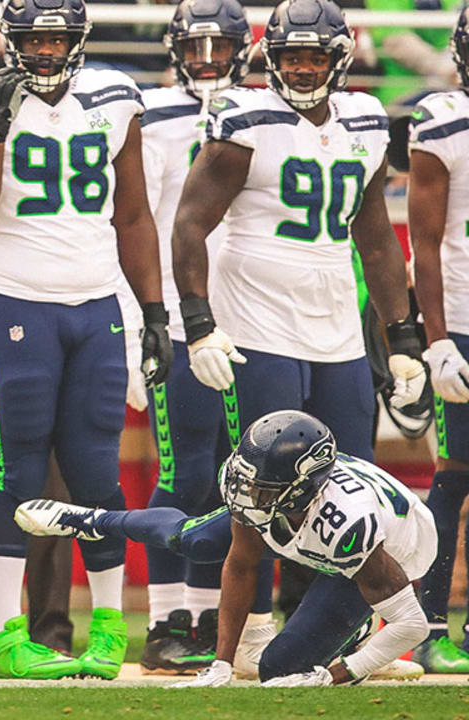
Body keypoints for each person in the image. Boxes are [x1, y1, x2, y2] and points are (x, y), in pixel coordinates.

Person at [169, 0, 426, 647]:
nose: (303, 68)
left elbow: (375, 237)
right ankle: (251, 634)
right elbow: (190, 223)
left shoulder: (365, 119)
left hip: (335, 325)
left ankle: (341, 635)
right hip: (256, 324)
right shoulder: (246, 117)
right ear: (271, 60)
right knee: (261, 491)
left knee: (352, 489)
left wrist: (402, 338)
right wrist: (199, 324)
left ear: (338, 60)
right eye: (291, 57)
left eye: (315, 56)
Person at [0, 0, 169, 680]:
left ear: (79, 40)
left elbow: (132, 213)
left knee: (98, 472)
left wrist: (152, 310)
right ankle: (7, 637)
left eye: (58, 37)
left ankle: (107, 633)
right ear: (10, 41)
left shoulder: (117, 97)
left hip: (95, 303)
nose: (45, 50)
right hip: (11, 298)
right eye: (33, 38)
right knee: (17, 470)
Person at [16, 410, 434, 685]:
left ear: (302, 487)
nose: (247, 492)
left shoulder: (349, 526)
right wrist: (221, 660)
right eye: (246, 478)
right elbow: (240, 566)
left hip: (386, 553)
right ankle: (92, 520)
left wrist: (340, 674)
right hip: (307, 526)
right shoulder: (274, 491)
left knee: (280, 670)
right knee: (194, 538)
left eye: (261, 486)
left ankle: (356, 636)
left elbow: (411, 625)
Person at [134, 0, 251, 674]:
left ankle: (209, 611)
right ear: (175, 48)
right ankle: (163, 617)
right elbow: (140, 221)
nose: (208, 61)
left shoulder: (264, 113)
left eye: (220, 47)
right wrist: (143, 317)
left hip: (245, 320)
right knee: (184, 472)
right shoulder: (155, 115)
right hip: (179, 321)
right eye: (196, 47)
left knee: (238, 477)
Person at [408, 4, 469, 674]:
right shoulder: (444, 117)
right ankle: (428, 627)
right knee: (455, 475)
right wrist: (438, 340)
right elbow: (424, 244)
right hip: (464, 319)